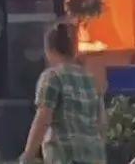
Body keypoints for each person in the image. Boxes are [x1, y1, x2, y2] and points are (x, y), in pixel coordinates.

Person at [21, 22, 107, 164]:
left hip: (65, 155)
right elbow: (101, 123)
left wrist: (27, 156)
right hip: (94, 157)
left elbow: (43, 119)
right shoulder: (91, 81)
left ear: (50, 50)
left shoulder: (52, 77)